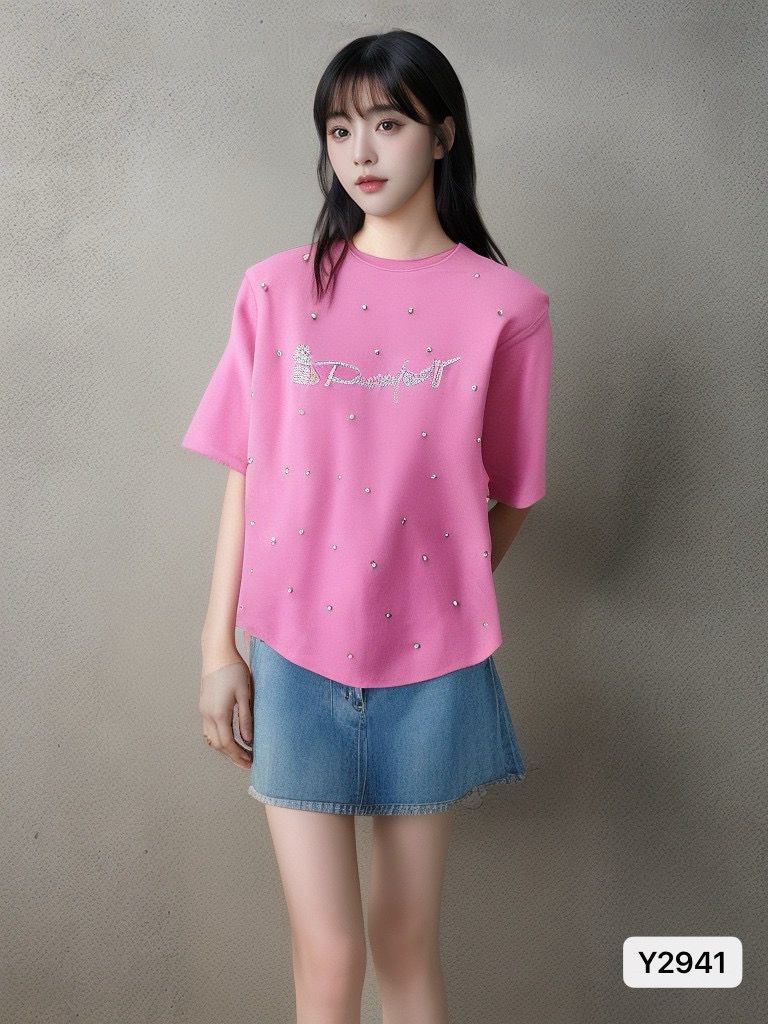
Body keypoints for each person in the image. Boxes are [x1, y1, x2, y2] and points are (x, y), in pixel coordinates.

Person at [181, 29, 553, 1024]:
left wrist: (438, 589)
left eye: (387, 123)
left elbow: (515, 490)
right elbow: (246, 471)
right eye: (340, 129)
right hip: (295, 658)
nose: (361, 151)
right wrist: (218, 648)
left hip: (434, 668)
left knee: (404, 942)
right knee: (329, 955)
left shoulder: (507, 308)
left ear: (444, 134)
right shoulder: (276, 289)